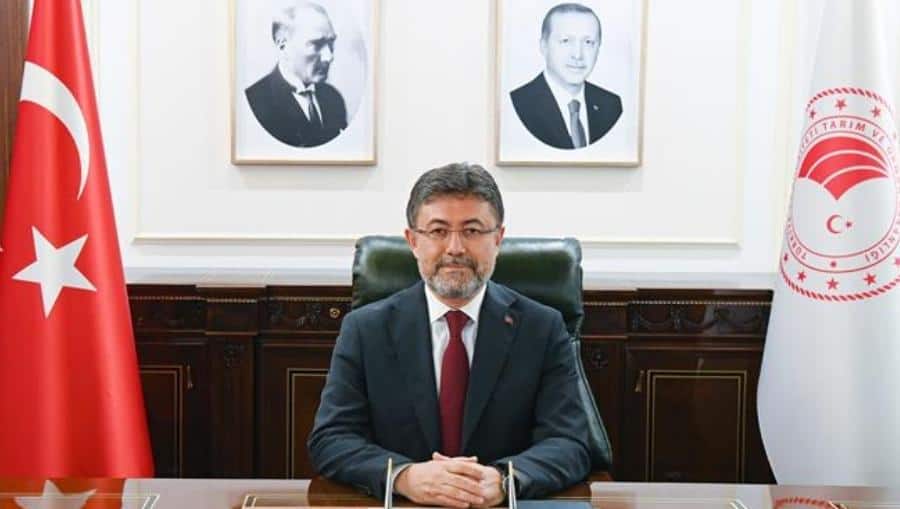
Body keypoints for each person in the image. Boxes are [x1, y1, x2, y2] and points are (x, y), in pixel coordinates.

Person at [308, 163, 590, 507]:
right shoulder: (366, 329)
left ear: (498, 239)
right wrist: (403, 476)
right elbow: (331, 438)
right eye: (438, 231)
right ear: (413, 241)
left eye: (472, 231)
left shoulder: (542, 328)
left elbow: (570, 442)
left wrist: (505, 480)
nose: (455, 247)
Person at [510, 3, 622, 150]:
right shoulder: (518, 103)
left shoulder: (611, 105)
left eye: (588, 42)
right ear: (544, 46)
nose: (578, 55)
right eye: (565, 41)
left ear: (598, 48)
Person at [245, 2, 347, 148]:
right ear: (282, 45)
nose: (329, 57)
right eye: (316, 44)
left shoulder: (333, 99)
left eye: (331, 43)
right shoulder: (255, 102)